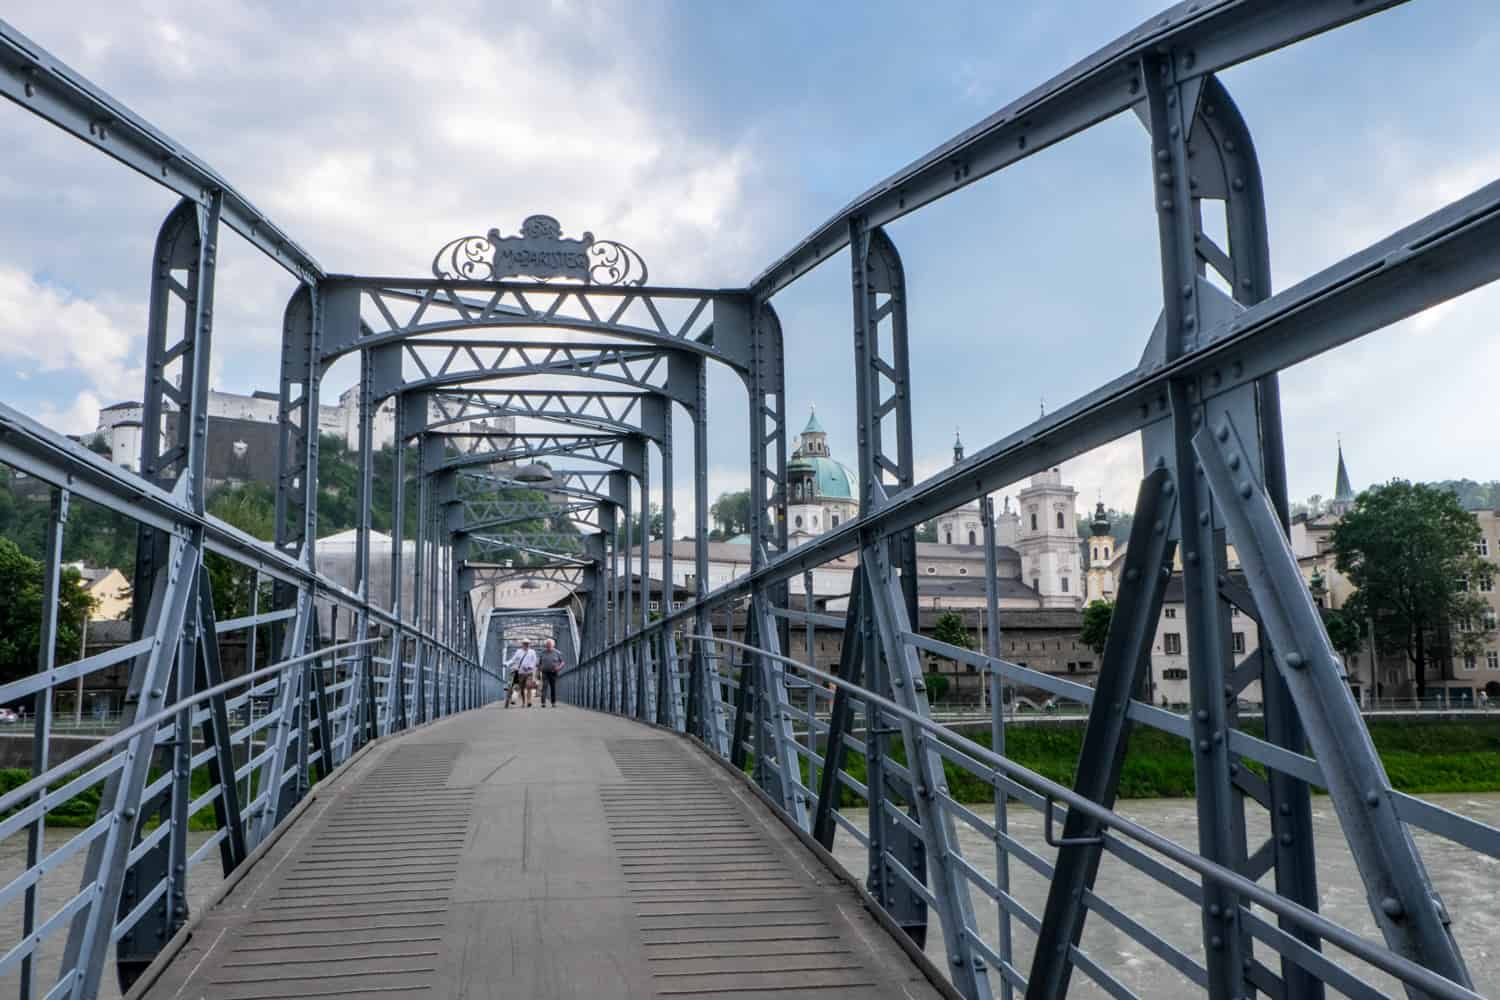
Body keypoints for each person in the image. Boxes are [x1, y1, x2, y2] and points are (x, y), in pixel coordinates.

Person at [505, 639, 538, 708]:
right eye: (525, 643)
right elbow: (513, 659)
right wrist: (507, 663)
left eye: (527, 643)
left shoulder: (532, 652)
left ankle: (529, 701)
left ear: (529, 644)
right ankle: (523, 702)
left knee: (529, 686)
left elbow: (534, 661)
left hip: (529, 672)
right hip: (520, 673)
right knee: (522, 688)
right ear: (522, 644)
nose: (526, 645)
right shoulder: (518, 652)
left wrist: (530, 667)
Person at [538, 638, 565, 707]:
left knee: (553, 687)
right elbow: (539, 663)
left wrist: (558, 668)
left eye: (550, 645)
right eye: (547, 645)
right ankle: (543, 702)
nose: (548, 646)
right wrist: (540, 668)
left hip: (553, 672)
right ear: (545, 645)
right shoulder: (542, 653)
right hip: (545, 672)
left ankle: (553, 702)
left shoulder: (558, 653)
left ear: (553, 645)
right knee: (544, 686)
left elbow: (562, 662)